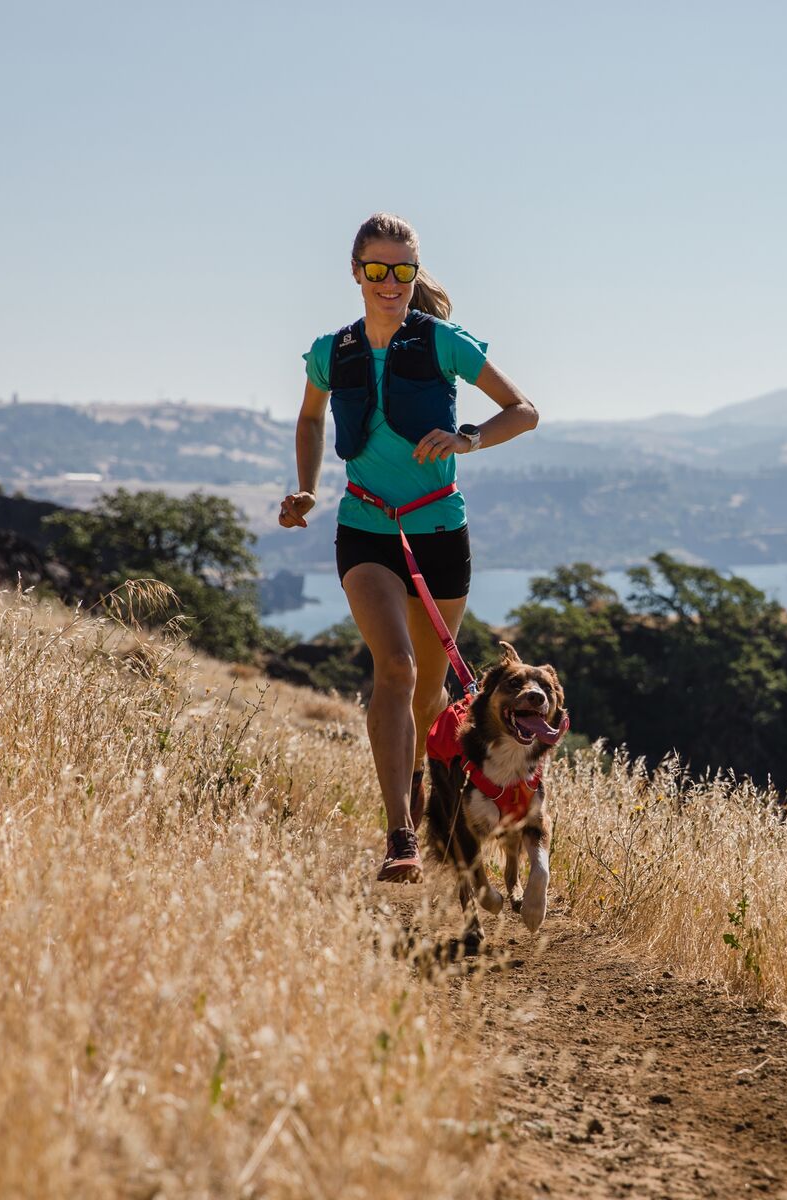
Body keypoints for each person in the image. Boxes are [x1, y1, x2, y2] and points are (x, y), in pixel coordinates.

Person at [279, 213, 539, 882]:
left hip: (438, 531)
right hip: (366, 528)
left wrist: (469, 439)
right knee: (392, 667)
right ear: (357, 273)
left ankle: (419, 772)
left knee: (428, 692)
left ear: (414, 274)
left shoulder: (444, 342)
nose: (390, 282)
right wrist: (306, 490)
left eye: (402, 270)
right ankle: (400, 834)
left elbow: (524, 410)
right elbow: (310, 418)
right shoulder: (329, 352)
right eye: (377, 269)